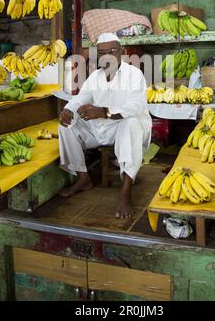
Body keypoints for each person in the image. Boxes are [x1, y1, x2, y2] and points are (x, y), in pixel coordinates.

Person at [58, 33, 152, 219]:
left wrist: (104, 112)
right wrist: (68, 110)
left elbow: (136, 106)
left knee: (131, 122)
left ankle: (126, 192)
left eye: (112, 51)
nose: (107, 55)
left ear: (122, 52)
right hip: (100, 129)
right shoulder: (95, 77)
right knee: (66, 126)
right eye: (102, 52)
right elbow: (81, 98)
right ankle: (83, 178)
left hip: (125, 130)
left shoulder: (134, 75)